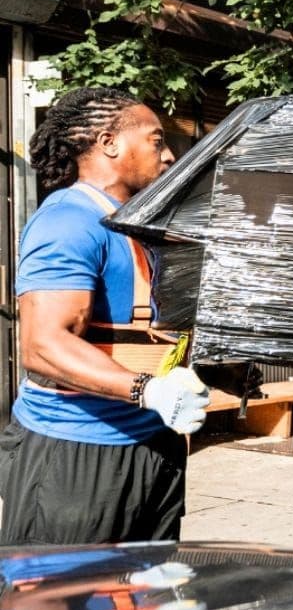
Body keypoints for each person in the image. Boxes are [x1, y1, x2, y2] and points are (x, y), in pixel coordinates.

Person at [0, 87, 211, 545]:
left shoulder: (136, 224)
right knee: (60, 606)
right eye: (157, 140)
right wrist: (147, 390)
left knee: (145, 600)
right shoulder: (68, 222)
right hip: (77, 453)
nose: (170, 154)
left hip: (153, 444)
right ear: (109, 142)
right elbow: (43, 346)